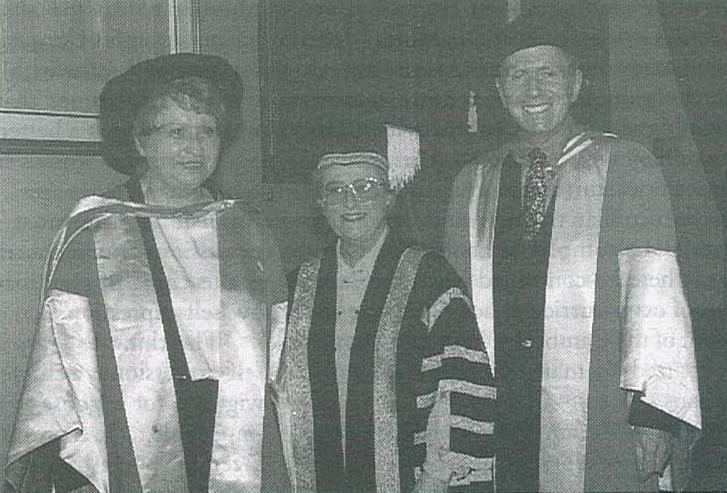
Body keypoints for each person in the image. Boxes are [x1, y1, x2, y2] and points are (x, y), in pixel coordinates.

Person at [5, 53, 287, 492]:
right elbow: (61, 372)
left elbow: (280, 365)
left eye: (207, 131)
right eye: (177, 132)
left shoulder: (247, 232)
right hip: (128, 443)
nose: (195, 149)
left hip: (236, 440)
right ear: (140, 141)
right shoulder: (94, 232)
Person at [444, 12, 701, 493]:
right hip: (500, 410)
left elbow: (657, 301)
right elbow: (454, 315)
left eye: (549, 72)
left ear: (577, 82)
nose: (534, 89)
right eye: (519, 75)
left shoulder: (627, 167)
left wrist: (655, 413)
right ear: (500, 91)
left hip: (600, 406)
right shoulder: (472, 185)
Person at [270, 124, 496, 492]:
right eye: (335, 190)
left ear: (389, 198)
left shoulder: (431, 279)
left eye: (365, 187)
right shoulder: (297, 286)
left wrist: (435, 479)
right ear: (320, 204)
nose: (350, 201)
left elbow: (458, 391)